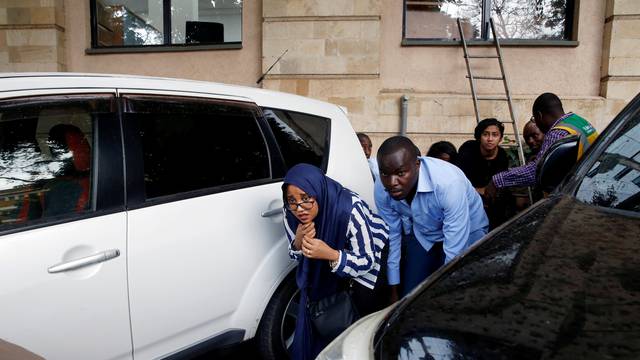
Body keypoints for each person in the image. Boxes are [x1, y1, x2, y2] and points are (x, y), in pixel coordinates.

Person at [283, 163, 389, 360]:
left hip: (371, 254)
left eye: (306, 199)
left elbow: (367, 261)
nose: (300, 209)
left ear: (318, 192)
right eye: (292, 200)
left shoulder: (349, 209)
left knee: (359, 318)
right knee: (323, 308)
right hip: (331, 258)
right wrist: (298, 242)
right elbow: (296, 255)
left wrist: (332, 254)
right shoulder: (290, 212)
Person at [374, 136, 488, 300]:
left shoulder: (448, 184)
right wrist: (394, 286)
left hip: (468, 231)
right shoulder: (381, 188)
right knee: (410, 296)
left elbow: (454, 250)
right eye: (385, 173)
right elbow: (393, 235)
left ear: (417, 165)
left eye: (400, 173)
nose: (392, 182)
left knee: (460, 292)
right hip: (425, 233)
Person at [485, 93, 598, 200]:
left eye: (535, 119)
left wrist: (498, 180)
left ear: (539, 115)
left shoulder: (557, 132)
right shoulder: (578, 121)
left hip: (576, 194)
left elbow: (537, 172)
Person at [457, 118, 510, 229]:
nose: (490, 139)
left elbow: (499, 185)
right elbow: (458, 180)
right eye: (485, 134)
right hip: (466, 197)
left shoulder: (501, 156)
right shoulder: (468, 150)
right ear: (479, 137)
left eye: (495, 135)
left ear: (500, 138)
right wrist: (478, 191)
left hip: (491, 200)